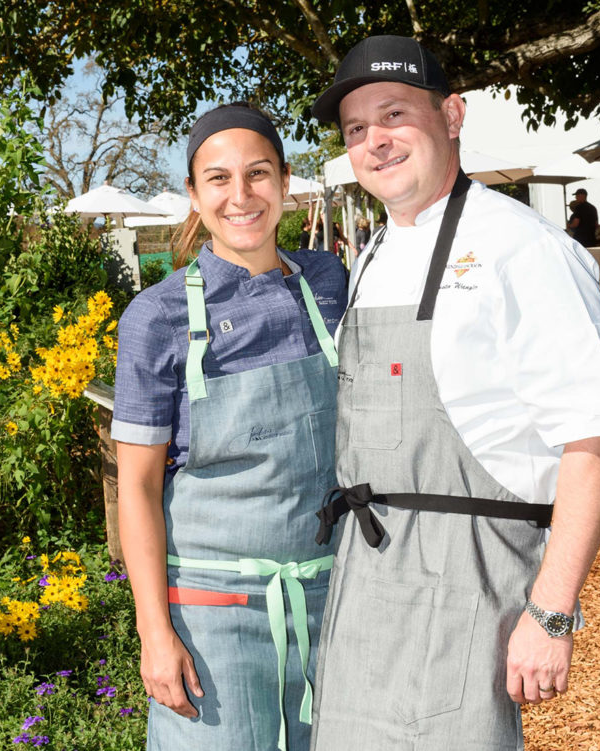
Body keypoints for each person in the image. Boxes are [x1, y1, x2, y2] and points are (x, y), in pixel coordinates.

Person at [307, 35, 600, 750]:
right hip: (364, 586)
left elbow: (597, 438)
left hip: (466, 585)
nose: (375, 142)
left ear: (452, 115)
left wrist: (550, 613)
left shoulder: (525, 249)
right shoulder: (369, 258)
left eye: (394, 115)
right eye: (356, 129)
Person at [112, 102, 348, 751]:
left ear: (285, 182)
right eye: (218, 178)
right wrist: (154, 635)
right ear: (194, 192)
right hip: (211, 625)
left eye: (258, 173)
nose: (240, 195)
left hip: (335, 607)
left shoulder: (329, 286)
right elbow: (135, 487)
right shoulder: (155, 318)